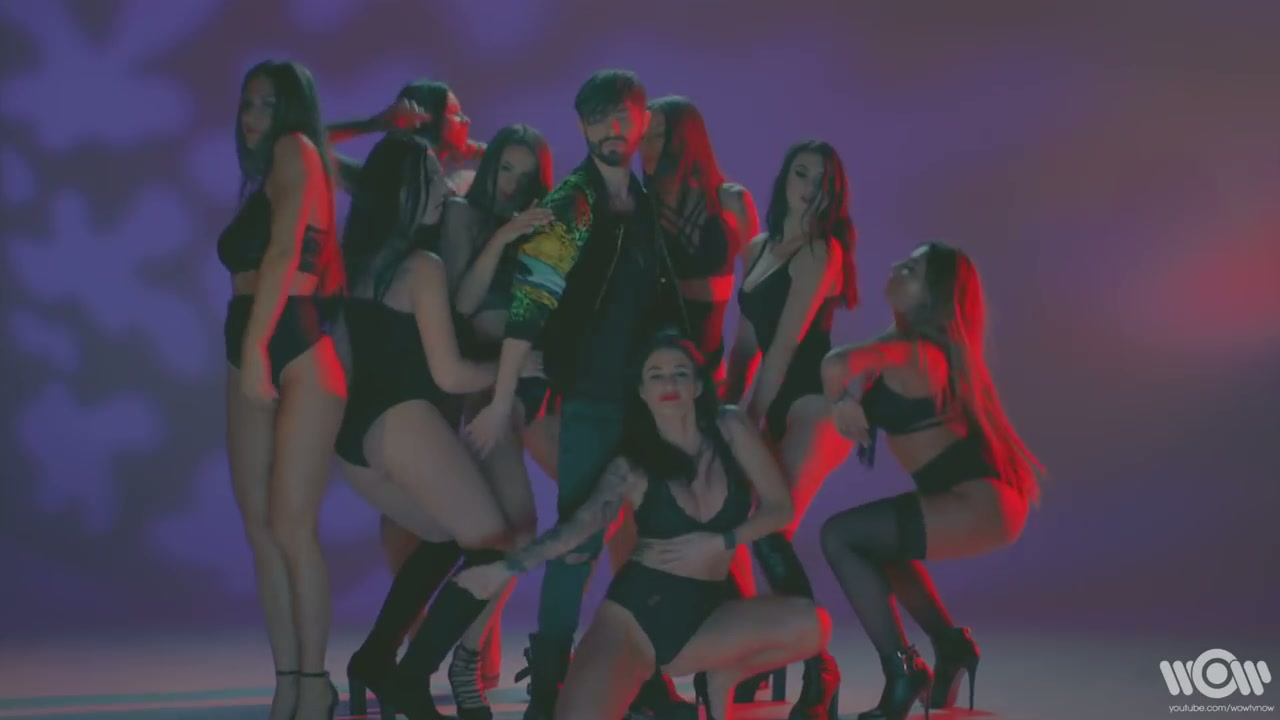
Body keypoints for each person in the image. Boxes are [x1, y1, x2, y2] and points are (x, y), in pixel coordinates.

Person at [461, 69, 694, 719]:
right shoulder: (574, 202)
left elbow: (658, 298)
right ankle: (547, 691)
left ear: (642, 121)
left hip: (646, 402)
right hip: (592, 400)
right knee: (576, 545)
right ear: (582, 126)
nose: (610, 129)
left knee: (651, 543)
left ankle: (644, 680)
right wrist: (502, 398)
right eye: (597, 118)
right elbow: (528, 304)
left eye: (621, 116)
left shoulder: (639, 199)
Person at [456, 331, 835, 720]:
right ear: (641, 391)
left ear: (697, 385)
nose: (669, 383)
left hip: (708, 618)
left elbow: (780, 509)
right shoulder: (632, 465)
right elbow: (577, 528)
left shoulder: (731, 428)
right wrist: (507, 568)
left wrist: (722, 541)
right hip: (635, 620)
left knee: (813, 625)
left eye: (680, 373)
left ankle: (724, 677)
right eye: (656, 375)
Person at [332, 132, 540, 720]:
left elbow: (350, 359)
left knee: (446, 540)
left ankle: (374, 660)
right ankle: (410, 676)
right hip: (402, 421)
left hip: (357, 440)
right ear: (400, 191)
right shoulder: (422, 266)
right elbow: (450, 374)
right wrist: (514, 367)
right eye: (430, 178)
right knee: (495, 547)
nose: (444, 188)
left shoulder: (358, 261)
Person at [818, 242, 1044, 720]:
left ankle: (904, 671)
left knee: (841, 536)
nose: (896, 268)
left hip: (979, 503)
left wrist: (841, 400)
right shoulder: (907, 343)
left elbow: (837, 364)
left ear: (933, 296)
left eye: (912, 269)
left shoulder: (918, 353)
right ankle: (950, 646)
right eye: (902, 262)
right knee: (874, 545)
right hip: (980, 500)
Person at [219, 59, 347, 720]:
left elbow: (283, 251)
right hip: (257, 334)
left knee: (291, 527)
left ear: (292, 111)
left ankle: (313, 681)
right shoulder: (276, 163)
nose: (253, 115)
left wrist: (253, 349)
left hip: (288, 338)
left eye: (268, 103)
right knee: (262, 527)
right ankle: (291, 681)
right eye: (248, 102)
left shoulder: (296, 150)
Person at [720, 139, 859, 716]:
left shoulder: (820, 252)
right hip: (769, 397)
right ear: (785, 178)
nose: (810, 187)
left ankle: (819, 669)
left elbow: (783, 347)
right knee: (740, 516)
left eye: (822, 180)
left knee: (769, 528)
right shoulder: (756, 248)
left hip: (811, 403)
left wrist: (746, 419)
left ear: (832, 193)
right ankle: (767, 655)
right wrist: (723, 410)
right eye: (802, 174)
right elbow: (745, 345)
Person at [436, 123, 557, 706]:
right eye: (505, 169)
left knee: (590, 505)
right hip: (485, 382)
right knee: (518, 530)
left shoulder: (546, 226)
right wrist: (504, 233)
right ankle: (465, 655)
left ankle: (488, 648)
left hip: (538, 381)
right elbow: (461, 304)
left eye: (526, 177)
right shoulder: (464, 215)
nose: (513, 185)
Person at [327, 79, 485, 195]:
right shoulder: (376, 184)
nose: (466, 120)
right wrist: (377, 123)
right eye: (456, 114)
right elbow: (314, 140)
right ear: (427, 121)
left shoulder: (442, 183)